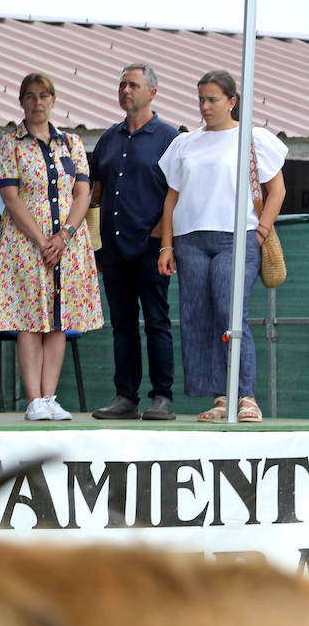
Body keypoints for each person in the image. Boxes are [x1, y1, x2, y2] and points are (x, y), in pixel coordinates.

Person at [157, 69, 286, 423]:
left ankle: (246, 395)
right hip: (189, 240)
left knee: (232, 314)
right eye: (201, 99)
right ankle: (220, 397)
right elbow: (171, 200)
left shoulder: (253, 139)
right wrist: (166, 247)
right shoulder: (185, 143)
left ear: (232, 101)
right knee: (198, 316)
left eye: (212, 99)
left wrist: (259, 232)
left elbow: (278, 190)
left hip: (237, 238)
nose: (205, 106)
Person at [0, 73, 103, 421]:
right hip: (27, 242)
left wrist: (65, 234)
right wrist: (42, 240)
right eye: (30, 96)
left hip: (68, 242)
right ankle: (34, 399)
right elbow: (10, 196)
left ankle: (51, 396)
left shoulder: (70, 143)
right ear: (22, 101)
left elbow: (82, 192)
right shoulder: (9, 143)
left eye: (44, 95)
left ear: (53, 100)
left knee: (59, 318)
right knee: (30, 318)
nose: (37, 102)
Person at [88, 64, 179, 421]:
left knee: (157, 320)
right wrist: (95, 244)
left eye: (134, 85)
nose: (126, 90)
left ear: (152, 92)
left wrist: (162, 235)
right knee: (122, 324)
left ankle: (163, 397)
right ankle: (126, 397)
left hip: (152, 247)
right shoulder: (108, 139)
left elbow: (179, 192)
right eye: (122, 84)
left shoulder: (169, 137)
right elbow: (95, 193)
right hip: (113, 248)